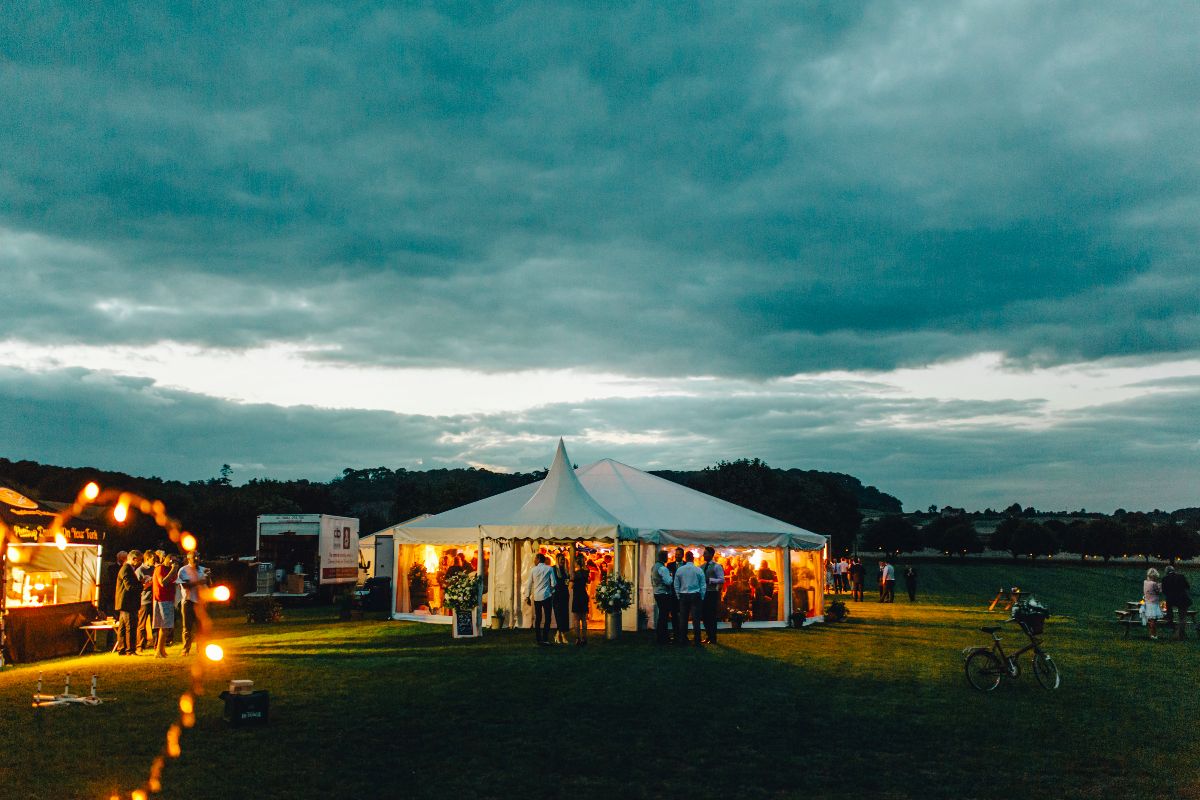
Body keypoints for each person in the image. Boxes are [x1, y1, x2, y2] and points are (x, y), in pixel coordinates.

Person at [176, 551, 207, 656]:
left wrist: (209, 577)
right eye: (194, 557)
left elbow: (208, 583)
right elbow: (185, 585)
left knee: (201, 627)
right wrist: (200, 581)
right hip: (189, 601)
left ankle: (201, 649)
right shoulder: (183, 570)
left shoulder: (202, 569)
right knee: (187, 627)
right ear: (189, 559)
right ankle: (185, 649)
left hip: (200, 601)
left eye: (198, 557)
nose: (197, 559)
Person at [673, 551, 706, 647]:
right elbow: (703, 584)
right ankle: (697, 639)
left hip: (683, 595)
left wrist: (678, 595)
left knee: (683, 618)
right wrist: (702, 596)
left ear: (685, 558)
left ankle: (682, 639)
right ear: (693, 558)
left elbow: (676, 584)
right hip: (695, 595)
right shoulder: (698, 570)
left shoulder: (680, 570)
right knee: (696, 619)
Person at [524, 553, 557, 646]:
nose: (534, 560)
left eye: (535, 559)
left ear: (538, 559)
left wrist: (527, 596)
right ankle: (545, 638)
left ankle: (539, 639)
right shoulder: (549, 569)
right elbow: (554, 583)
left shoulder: (533, 570)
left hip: (537, 597)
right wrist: (551, 591)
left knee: (538, 618)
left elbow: (529, 584)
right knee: (547, 618)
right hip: (547, 596)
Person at [113, 550, 142, 656]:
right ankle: (130, 649)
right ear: (134, 559)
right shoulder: (126, 568)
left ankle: (122, 648)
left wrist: (141, 582)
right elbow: (129, 586)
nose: (140, 562)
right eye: (139, 560)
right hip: (127, 603)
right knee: (130, 626)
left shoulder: (126, 568)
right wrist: (143, 586)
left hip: (124, 603)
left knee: (123, 627)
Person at [151, 554, 180, 658]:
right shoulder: (161, 568)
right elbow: (163, 583)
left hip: (169, 599)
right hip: (162, 600)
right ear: (168, 560)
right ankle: (159, 651)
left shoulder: (169, 569)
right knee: (164, 626)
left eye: (176, 561)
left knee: (166, 627)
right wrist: (173, 569)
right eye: (173, 561)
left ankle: (162, 649)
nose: (174, 563)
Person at [701, 546, 724, 644]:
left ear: (711, 555)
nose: (703, 555)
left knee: (711, 616)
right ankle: (708, 636)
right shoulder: (701, 566)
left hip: (712, 593)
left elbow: (721, 579)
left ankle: (713, 637)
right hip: (703, 593)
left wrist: (710, 580)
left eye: (705, 553)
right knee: (704, 615)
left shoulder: (717, 566)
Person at [650, 550, 674, 644]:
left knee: (662, 615)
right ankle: (663, 637)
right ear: (664, 557)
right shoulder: (663, 568)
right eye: (667, 556)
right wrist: (671, 576)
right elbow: (668, 581)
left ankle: (661, 636)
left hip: (656, 592)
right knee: (664, 616)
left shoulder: (654, 566)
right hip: (664, 593)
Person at [1162, 566, 1192, 641]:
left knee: (1170, 617)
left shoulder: (1165, 579)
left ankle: (1175, 630)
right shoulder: (1181, 576)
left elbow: (1164, 591)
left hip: (1171, 601)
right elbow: (1187, 586)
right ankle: (1181, 635)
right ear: (1174, 570)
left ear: (1166, 572)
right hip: (1182, 599)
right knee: (1182, 617)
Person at [135, 551, 157, 653]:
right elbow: (138, 587)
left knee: (155, 623)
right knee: (142, 624)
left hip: (154, 600)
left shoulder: (154, 569)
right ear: (147, 558)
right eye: (153, 559)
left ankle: (156, 645)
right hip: (143, 601)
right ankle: (140, 646)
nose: (155, 561)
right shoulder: (140, 570)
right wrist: (150, 583)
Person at [552, 553, 571, 645]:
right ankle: (562, 635)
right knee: (558, 615)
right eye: (561, 559)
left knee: (564, 615)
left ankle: (558, 634)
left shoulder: (565, 570)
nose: (563, 561)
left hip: (564, 594)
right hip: (557, 594)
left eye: (563, 559)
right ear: (557, 560)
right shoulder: (553, 569)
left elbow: (567, 582)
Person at [667, 546, 685, 642]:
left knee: (683, 614)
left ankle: (683, 635)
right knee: (674, 614)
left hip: (684, 592)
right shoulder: (670, 565)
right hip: (673, 593)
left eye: (679, 554)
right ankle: (676, 634)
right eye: (676, 554)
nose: (677, 556)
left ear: (682, 555)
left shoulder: (686, 565)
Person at [571, 553, 590, 646]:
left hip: (577, 596)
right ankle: (584, 638)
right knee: (584, 619)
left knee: (576, 619)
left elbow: (571, 586)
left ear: (576, 563)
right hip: (584, 595)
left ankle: (577, 638)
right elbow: (587, 581)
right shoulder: (586, 572)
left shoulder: (575, 574)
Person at [1142, 568, 1165, 640]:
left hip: (1147, 602)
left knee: (1150, 620)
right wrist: (1160, 586)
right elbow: (1158, 592)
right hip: (1154, 603)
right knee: (1153, 620)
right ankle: (1153, 634)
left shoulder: (1145, 582)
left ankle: (1152, 634)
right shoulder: (1154, 584)